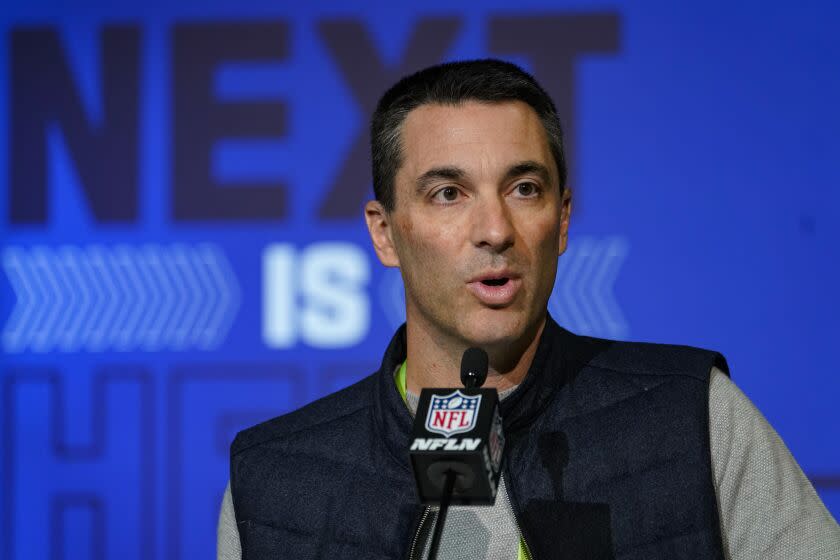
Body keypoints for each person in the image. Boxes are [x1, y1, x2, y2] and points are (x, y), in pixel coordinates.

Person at [217, 59, 840, 559]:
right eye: (448, 193)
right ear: (385, 234)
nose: (495, 229)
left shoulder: (692, 415)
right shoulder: (276, 482)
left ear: (562, 221)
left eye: (524, 189)